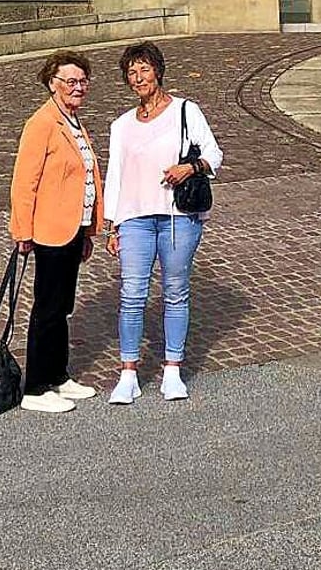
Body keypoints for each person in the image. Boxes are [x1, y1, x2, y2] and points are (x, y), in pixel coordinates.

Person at [102, 41, 223, 404]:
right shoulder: (121, 125)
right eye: (132, 72)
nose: (138, 77)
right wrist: (112, 225)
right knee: (132, 294)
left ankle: (173, 369)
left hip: (178, 218)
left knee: (175, 291)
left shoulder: (186, 110)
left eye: (144, 69)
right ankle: (128, 373)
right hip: (135, 218)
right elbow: (115, 175)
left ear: (158, 71)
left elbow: (214, 153)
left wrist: (190, 167)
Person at [10, 50, 103, 413]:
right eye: (70, 81)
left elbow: (85, 177)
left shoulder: (73, 121)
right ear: (52, 84)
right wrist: (22, 230)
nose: (78, 87)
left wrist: (89, 229)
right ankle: (35, 386)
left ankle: (58, 376)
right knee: (47, 307)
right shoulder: (42, 123)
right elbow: (25, 182)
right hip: (50, 230)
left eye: (83, 81)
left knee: (63, 306)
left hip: (73, 228)